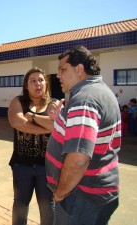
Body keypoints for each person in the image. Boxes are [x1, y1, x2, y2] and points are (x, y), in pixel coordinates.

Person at [46, 45, 121, 225]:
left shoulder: (85, 99)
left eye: (63, 69)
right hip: (95, 194)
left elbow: (78, 159)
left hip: (81, 197)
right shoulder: (100, 91)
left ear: (80, 69)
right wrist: (61, 121)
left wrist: (60, 193)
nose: (58, 75)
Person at [8, 67, 61, 225]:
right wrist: (47, 126)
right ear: (26, 85)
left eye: (41, 80)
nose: (37, 84)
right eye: (33, 81)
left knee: (47, 206)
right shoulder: (18, 101)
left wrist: (31, 116)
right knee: (20, 204)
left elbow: (58, 126)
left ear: (46, 83)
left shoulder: (54, 103)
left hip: (47, 166)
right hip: (21, 165)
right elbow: (17, 122)